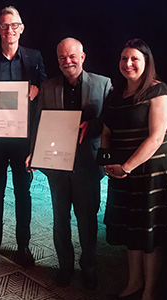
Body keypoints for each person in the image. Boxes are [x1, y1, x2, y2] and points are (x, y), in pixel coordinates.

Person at [27, 37, 111, 289]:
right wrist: (33, 152)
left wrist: (92, 124)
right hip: (57, 166)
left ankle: (89, 268)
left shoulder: (103, 84)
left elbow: (110, 119)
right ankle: (65, 267)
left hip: (87, 165)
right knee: (60, 219)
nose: (68, 61)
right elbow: (39, 123)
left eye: (72, 56)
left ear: (82, 57)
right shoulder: (48, 86)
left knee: (88, 221)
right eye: (62, 57)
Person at [0, 6, 47, 270]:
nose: (10, 30)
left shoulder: (35, 57)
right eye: (4, 26)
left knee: (23, 193)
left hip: (23, 141)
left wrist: (37, 88)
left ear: (22, 28)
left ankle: (23, 246)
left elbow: (44, 89)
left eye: (14, 25)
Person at [101, 38, 167, 300]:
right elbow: (107, 131)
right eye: (123, 58)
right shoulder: (115, 94)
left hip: (149, 173)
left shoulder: (159, 91)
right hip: (121, 172)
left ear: (146, 62)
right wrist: (108, 162)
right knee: (131, 228)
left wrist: (126, 167)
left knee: (149, 232)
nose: (127, 63)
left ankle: (150, 289)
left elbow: (156, 137)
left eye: (134, 59)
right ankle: (134, 281)